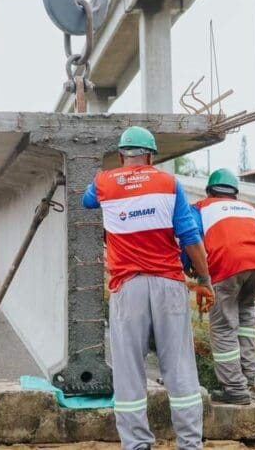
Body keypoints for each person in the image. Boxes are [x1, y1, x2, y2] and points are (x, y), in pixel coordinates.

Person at [82, 126, 212, 450]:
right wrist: (206, 280)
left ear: (122, 154)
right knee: (179, 367)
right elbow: (190, 235)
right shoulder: (169, 184)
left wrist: (108, 179)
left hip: (127, 287)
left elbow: (87, 201)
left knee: (129, 369)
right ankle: (190, 444)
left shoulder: (104, 183)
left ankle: (137, 444)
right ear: (151, 155)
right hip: (169, 284)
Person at [182, 168, 255, 405]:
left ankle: (235, 389)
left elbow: (190, 238)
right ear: (235, 192)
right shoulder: (251, 208)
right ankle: (249, 376)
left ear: (209, 190)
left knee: (223, 326)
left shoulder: (201, 207)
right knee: (245, 317)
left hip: (228, 264)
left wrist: (188, 267)